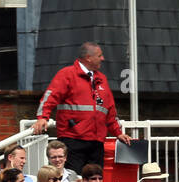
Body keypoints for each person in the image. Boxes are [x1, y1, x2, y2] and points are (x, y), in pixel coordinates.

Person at [33, 42, 134, 172]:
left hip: (96, 142)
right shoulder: (67, 74)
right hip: (73, 139)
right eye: (100, 55)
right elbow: (50, 97)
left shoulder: (101, 78)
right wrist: (42, 117)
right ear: (88, 57)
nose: (102, 58)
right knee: (74, 181)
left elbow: (109, 110)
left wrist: (118, 133)